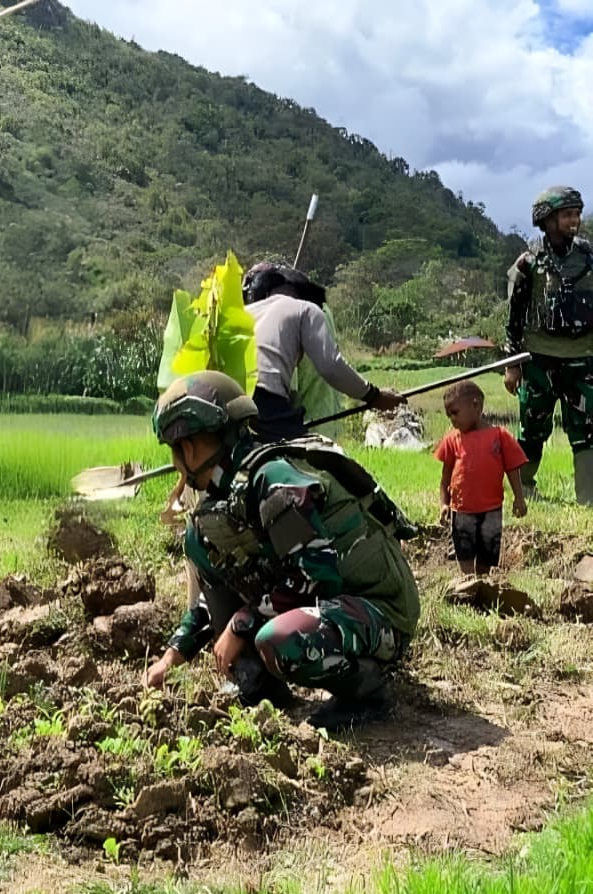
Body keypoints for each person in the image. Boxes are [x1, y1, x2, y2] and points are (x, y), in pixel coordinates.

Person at [142, 371, 421, 729]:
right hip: (332, 613)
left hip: (379, 615)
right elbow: (208, 600)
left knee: (280, 639)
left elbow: (314, 575)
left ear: (188, 447)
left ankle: (366, 691)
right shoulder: (223, 504)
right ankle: (260, 683)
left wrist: (240, 626)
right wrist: (171, 657)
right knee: (201, 545)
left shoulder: (274, 481)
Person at [241, 262, 405, 441]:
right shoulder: (306, 309)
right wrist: (374, 396)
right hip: (264, 398)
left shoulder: (246, 312)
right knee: (304, 459)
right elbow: (331, 366)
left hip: (228, 399)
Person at [503, 185, 593, 503]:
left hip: (583, 359)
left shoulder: (589, 257)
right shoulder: (529, 263)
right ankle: (524, 490)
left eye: (577, 214)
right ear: (548, 220)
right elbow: (514, 317)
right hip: (538, 359)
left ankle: (588, 498)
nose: (575, 220)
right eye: (567, 215)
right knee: (532, 427)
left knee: (587, 431)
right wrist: (512, 365)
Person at [434, 381, 527, 576]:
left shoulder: (500, 437)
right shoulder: (452, 439)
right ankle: (468, 582)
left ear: (476, 406)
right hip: (462, 510)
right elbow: (445, 477)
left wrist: (519, 497)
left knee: (488, 551)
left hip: (492, 509)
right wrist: (444, 504)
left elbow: (512, 469)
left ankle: (483, 582)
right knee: (464, 550)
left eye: (455, 412)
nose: (452, 419)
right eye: (449, 415)